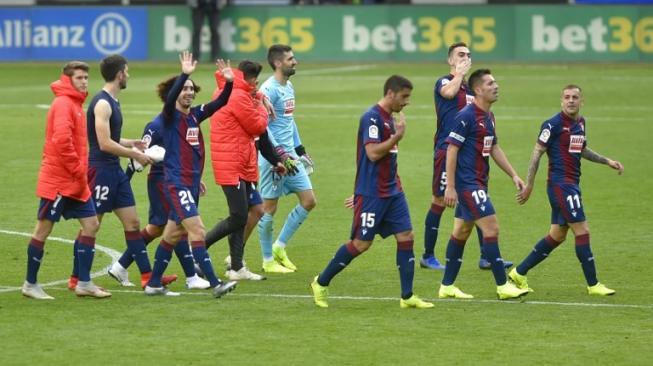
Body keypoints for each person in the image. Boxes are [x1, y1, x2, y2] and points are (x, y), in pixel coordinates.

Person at [310, 75, 433, 309]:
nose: (407, 102)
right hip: (373, 193)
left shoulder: (389, 118)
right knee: (360, 244)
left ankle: (407, 297)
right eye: (404, 96)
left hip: (393, 192)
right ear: (390, 93)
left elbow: (389, 159)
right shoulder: (372, 118)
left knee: (406, 236)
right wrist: (397, 137)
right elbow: (373, 153)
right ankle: (321, 282)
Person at [510, 85, 623, 296]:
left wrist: (606, 161)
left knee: (557, 235)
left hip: (571, 185)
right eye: (567, 97)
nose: (571, 100)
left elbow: (580, 149)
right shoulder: (552, 125)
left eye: (575, 97)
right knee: (582, 231)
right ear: (561, 101)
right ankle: (593, 284)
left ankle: (519, 272)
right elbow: (536, 154)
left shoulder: (580, 123)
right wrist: (529, 185)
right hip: (560, 185)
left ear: (582, 101)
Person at [144, 51, 237, 298]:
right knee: (197, 230)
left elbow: (220, 104)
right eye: (184, 89)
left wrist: (229, 82)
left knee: (173, 234)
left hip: (192, 184)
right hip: (177, 185)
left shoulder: (195, 115)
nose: (188, 92)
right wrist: (185, 73)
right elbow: (170, 98)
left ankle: (153, 283)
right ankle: (216, 283)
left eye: (191, 89)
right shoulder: (168, 117)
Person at [80, 54, 176, 291]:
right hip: (101, 170)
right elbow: (103, 143)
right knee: (92, 225)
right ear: (120, 73)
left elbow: (111, 138)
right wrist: (135, 155)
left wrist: (131, 142)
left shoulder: (113, 100)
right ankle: (78, 278)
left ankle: (147, 277)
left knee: (133, 223)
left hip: (114, 171)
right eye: (127, 71)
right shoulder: (102, 103)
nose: (129, 75)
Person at [421, 42, 513, 271]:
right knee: (440, 201)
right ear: (450, 60)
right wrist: (460, 74)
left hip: (470, 154)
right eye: (460, 55)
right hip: (447, 150)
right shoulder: (444, 81)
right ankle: (428, 255)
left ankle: (486, 256)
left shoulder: (472, 91)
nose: (465, 58)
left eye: (468, 55)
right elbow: (449, 93)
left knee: (477, 198)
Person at [22, 61, 110, 299]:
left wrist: (78, 173)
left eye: (85, 78)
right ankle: (30, 284)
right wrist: (77, 169)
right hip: (60, 180)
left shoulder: (76, 104)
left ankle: (84, 283)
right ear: (67, 79)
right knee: (43, 229)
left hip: (75, 180)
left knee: (91, 224)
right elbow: (62, 142)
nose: (84, 81)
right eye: (79, 77)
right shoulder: (63, 104)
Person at [438, 68, 529, 300]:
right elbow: (451, 149)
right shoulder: (465, 116)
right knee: (492, 228)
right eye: (490, 83)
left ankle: (447, 286)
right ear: (478, 90)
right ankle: (502, 285)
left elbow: (494, 147)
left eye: (495, 82)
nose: (496, 86)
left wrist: (514, 175)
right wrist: (450, 186)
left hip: (479, 182)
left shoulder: (489, 117)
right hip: (468, 184)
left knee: (461, 231)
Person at [122, 116, 212, 290]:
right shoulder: (156, 126)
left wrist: (193, 179)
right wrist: (125, 181)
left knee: (160, 228)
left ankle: (121, 266)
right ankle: (191, 277)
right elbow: (138, 157)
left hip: (178, 180)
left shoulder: (183, 123)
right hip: (161, 183)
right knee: (178, 225)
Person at [203, 60, 273, 281]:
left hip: (240, 161)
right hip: (231, 162)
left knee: (254, 209)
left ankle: (236, 268)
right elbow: (257, 126)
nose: (257, 84)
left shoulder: (234, 90)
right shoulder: (237, 95)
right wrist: (261, 107)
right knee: (239, 216)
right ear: (248, 79)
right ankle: (197, 249)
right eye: (256, 80)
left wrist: (259, 97)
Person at [257, 44, 316, 274]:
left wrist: (300, 150)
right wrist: (279, 153)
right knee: (269, 208)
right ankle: (267, 260)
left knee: (309, 200)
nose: (295, 61)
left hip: (291, 157)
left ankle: (280, 246)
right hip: (274, 158)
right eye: (291, 59)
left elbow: (288, 121)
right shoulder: (268, 90)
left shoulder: (288, 86)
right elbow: (263, 126)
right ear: (278, 63)